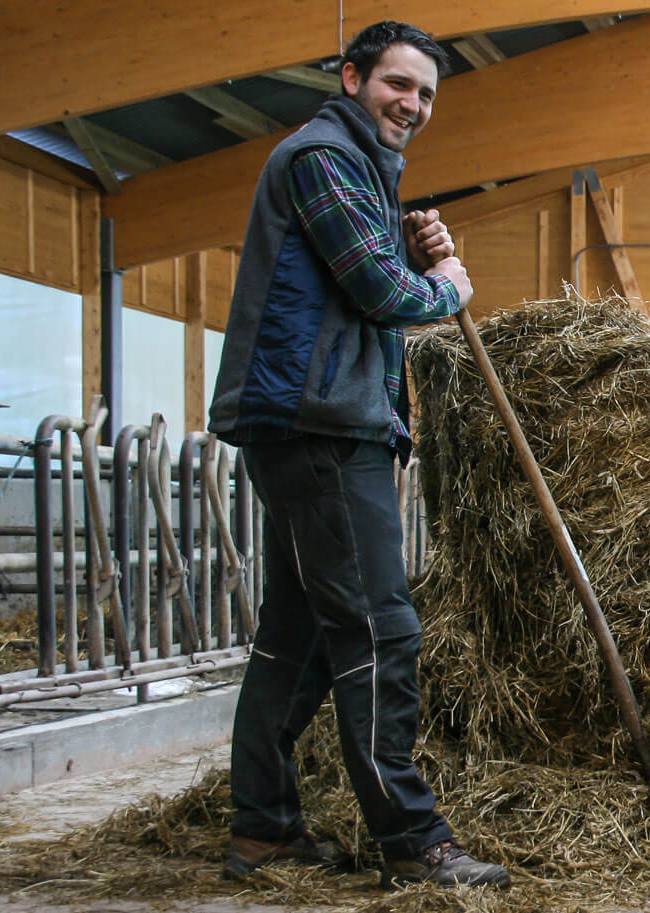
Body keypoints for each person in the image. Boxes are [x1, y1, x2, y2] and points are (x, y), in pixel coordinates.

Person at [208, 20, 509, 889]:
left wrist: (408, 254)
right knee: (382, 630)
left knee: (296, 638)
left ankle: (261, 825)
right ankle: (412, 838)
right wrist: (442, 286)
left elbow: (362, 273)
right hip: (323, 429)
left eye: (424, 94)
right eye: (397, 84)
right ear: (351, 77)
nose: (411, 105)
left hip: (315, 423)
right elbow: (378, 291)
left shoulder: (356, 166)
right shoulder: (324, 157)